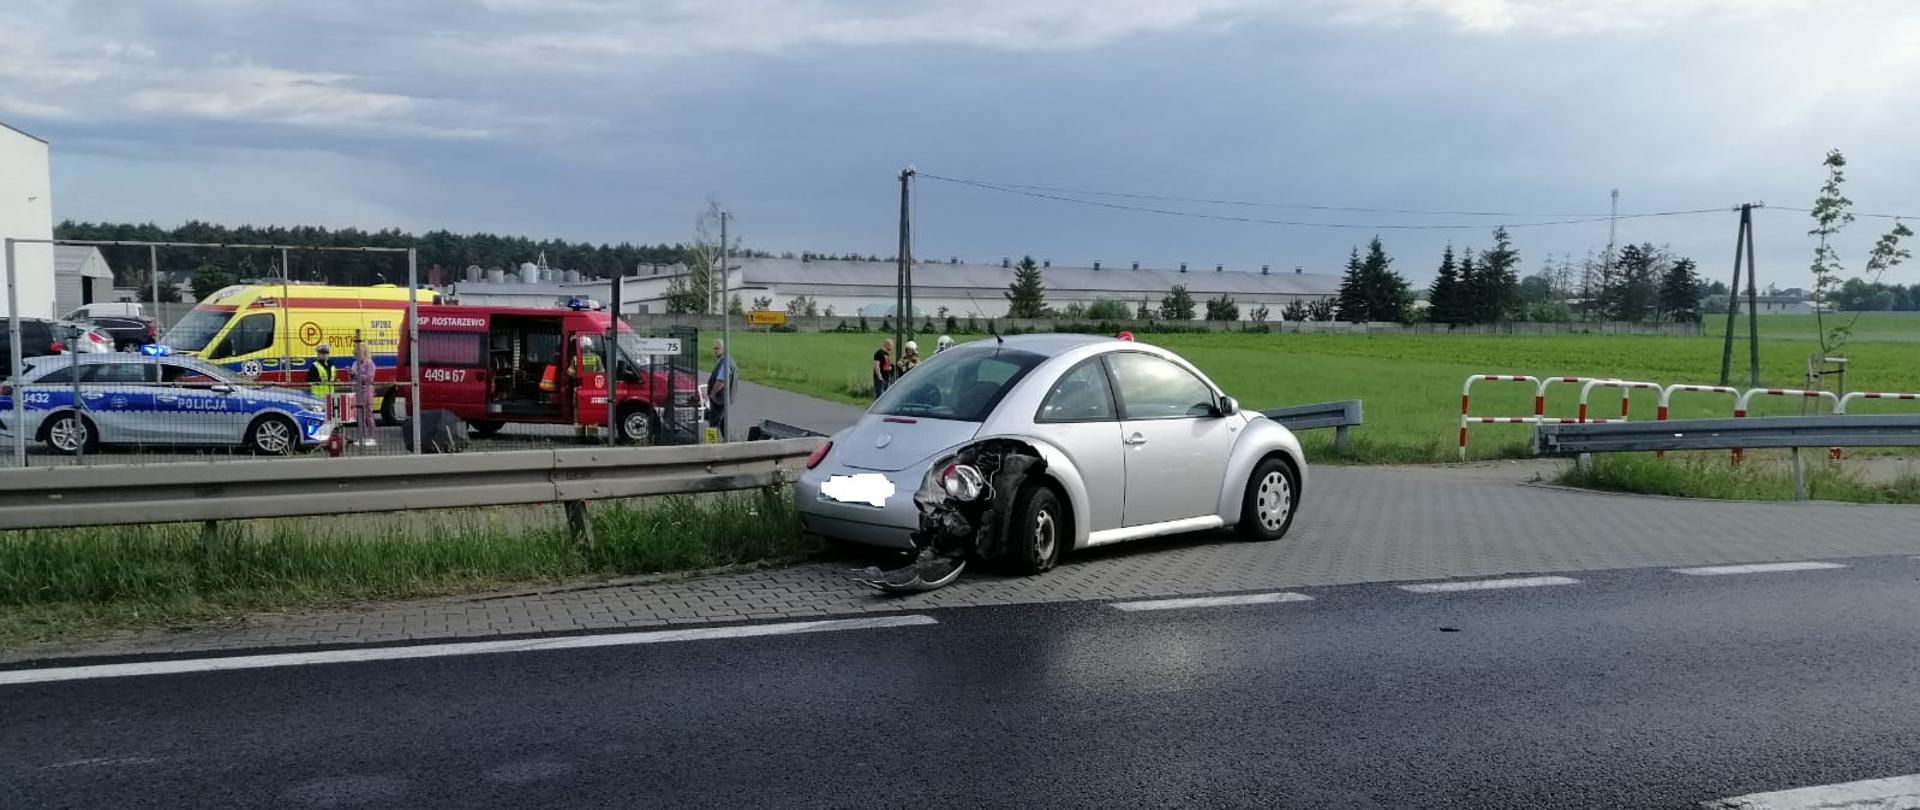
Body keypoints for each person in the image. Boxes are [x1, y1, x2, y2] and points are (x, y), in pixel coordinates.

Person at [351, 339, 377, 447]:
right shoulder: (354, 363)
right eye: (355, 354)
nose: (356, 355)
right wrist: (351, 375)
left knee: (368, 415)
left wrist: (357, 374)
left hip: (367, 391)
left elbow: (370, 379)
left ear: (363, 353)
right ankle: (362, 438)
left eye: (358, 353)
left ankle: (371, 437)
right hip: (358, 391)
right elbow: (352, 377)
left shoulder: (369, 363)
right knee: (359, 415)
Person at [707, 339, 733, 439]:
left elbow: (721, 381)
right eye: (714, 348)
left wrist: (712, 393)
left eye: (717, 348)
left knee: (713, 423)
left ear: (724, 349)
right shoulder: (726, 361)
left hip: (720, 400)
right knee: (723, 423)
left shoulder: (725, 363)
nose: (715, 350)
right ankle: (729, 444)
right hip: (724, 399)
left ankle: (711, 446)